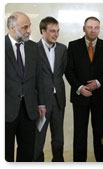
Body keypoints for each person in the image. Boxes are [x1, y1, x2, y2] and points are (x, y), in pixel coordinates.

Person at [65, 16, 103, 162]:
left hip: (100, 96)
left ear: (99, 29)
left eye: (96, 27)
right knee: (80, 132)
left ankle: (101, 161)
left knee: (99, 132)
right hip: (80, 96)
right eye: (90, 27)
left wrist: (99, 82)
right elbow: (69, 70)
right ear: (84, 28)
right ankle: (79, 162)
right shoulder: (73, 45)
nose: (93, 30)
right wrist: (79, 87)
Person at [5, 11, 46, 162]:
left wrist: (41, 102)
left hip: (29, 108)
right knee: (5, 152)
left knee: (27, 150)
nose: (29, 30)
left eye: (29, 26)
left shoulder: (33, 47)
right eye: (25, 27)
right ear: (12, 27)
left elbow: (39, 78)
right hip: (6, 109)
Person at [33, 16, 67, 162]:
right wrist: (38, 102)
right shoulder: (33, 49)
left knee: (58, 138)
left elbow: (63, 72)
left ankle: (58, 163)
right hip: (41, 101)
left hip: (58, 100)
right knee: (38, 138)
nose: (56, 34)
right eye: (52, 31)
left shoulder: (62, 49)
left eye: (58, 31)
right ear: (43, 31)